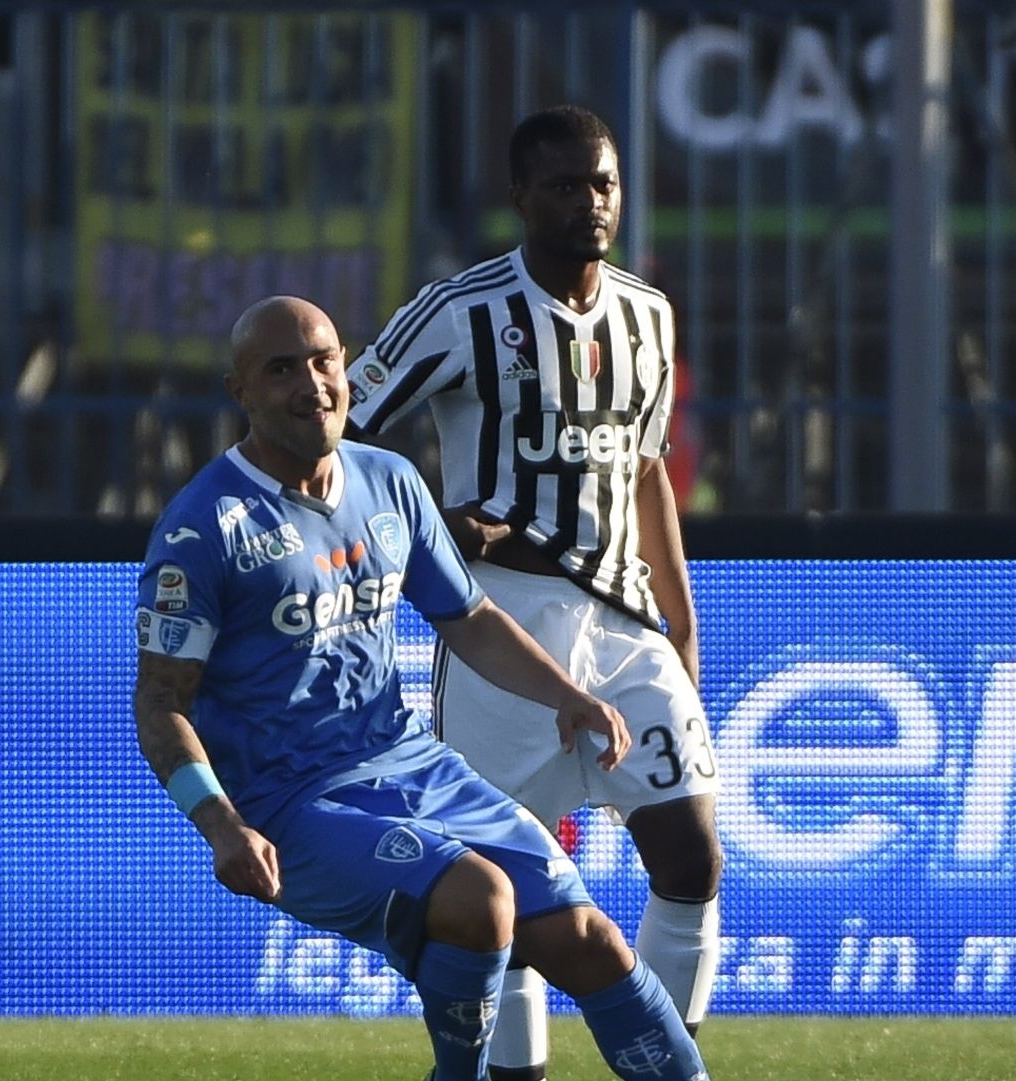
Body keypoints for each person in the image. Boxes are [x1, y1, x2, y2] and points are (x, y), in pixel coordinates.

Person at [132, 295, 709, 1081]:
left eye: (325, 360)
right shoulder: (204, 526)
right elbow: (161, 705)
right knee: (480, 901)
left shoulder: (391, 482)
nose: (313, 384)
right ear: (241, 392)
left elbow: (468, 617)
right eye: (281, 370)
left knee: (592, 942)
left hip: (412, 766)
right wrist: (222, 825)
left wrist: (564, 694)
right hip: (292, 803)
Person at [345, 104, 722, 1081]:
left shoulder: (650, 314)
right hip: (505, 627)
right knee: (506, 891)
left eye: (602, 183)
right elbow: (340, 423)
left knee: (692, 859)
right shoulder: (464, 311)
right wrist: (429, 516)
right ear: (520, 197)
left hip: (629, 621)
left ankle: (659, 1064)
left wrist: (683, 628)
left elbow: (645, 476)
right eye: (564, 185)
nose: (589, 203)